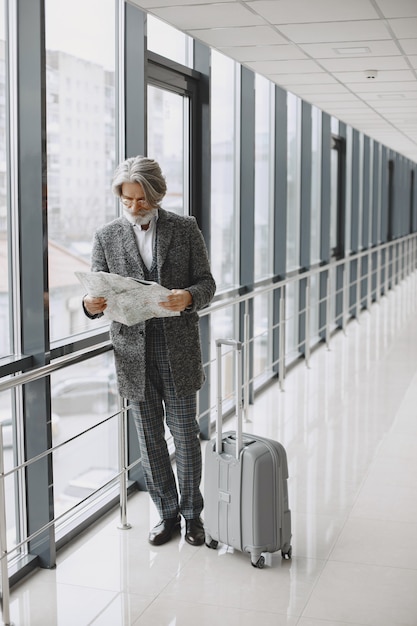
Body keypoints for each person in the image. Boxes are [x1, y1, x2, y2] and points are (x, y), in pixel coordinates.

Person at [83, 156, 216, 547]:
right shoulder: (106, 236)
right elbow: (94, 291)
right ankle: (166, 514)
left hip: (177, 348)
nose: (134, 208)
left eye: (141, 200)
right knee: (150, 440)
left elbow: (207, 283)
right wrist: (90, 305)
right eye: (127, 201)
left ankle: (193, 516)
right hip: (131, 354)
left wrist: (188, 296)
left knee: (185, 436)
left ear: (156, 195)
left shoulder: (185, 228)